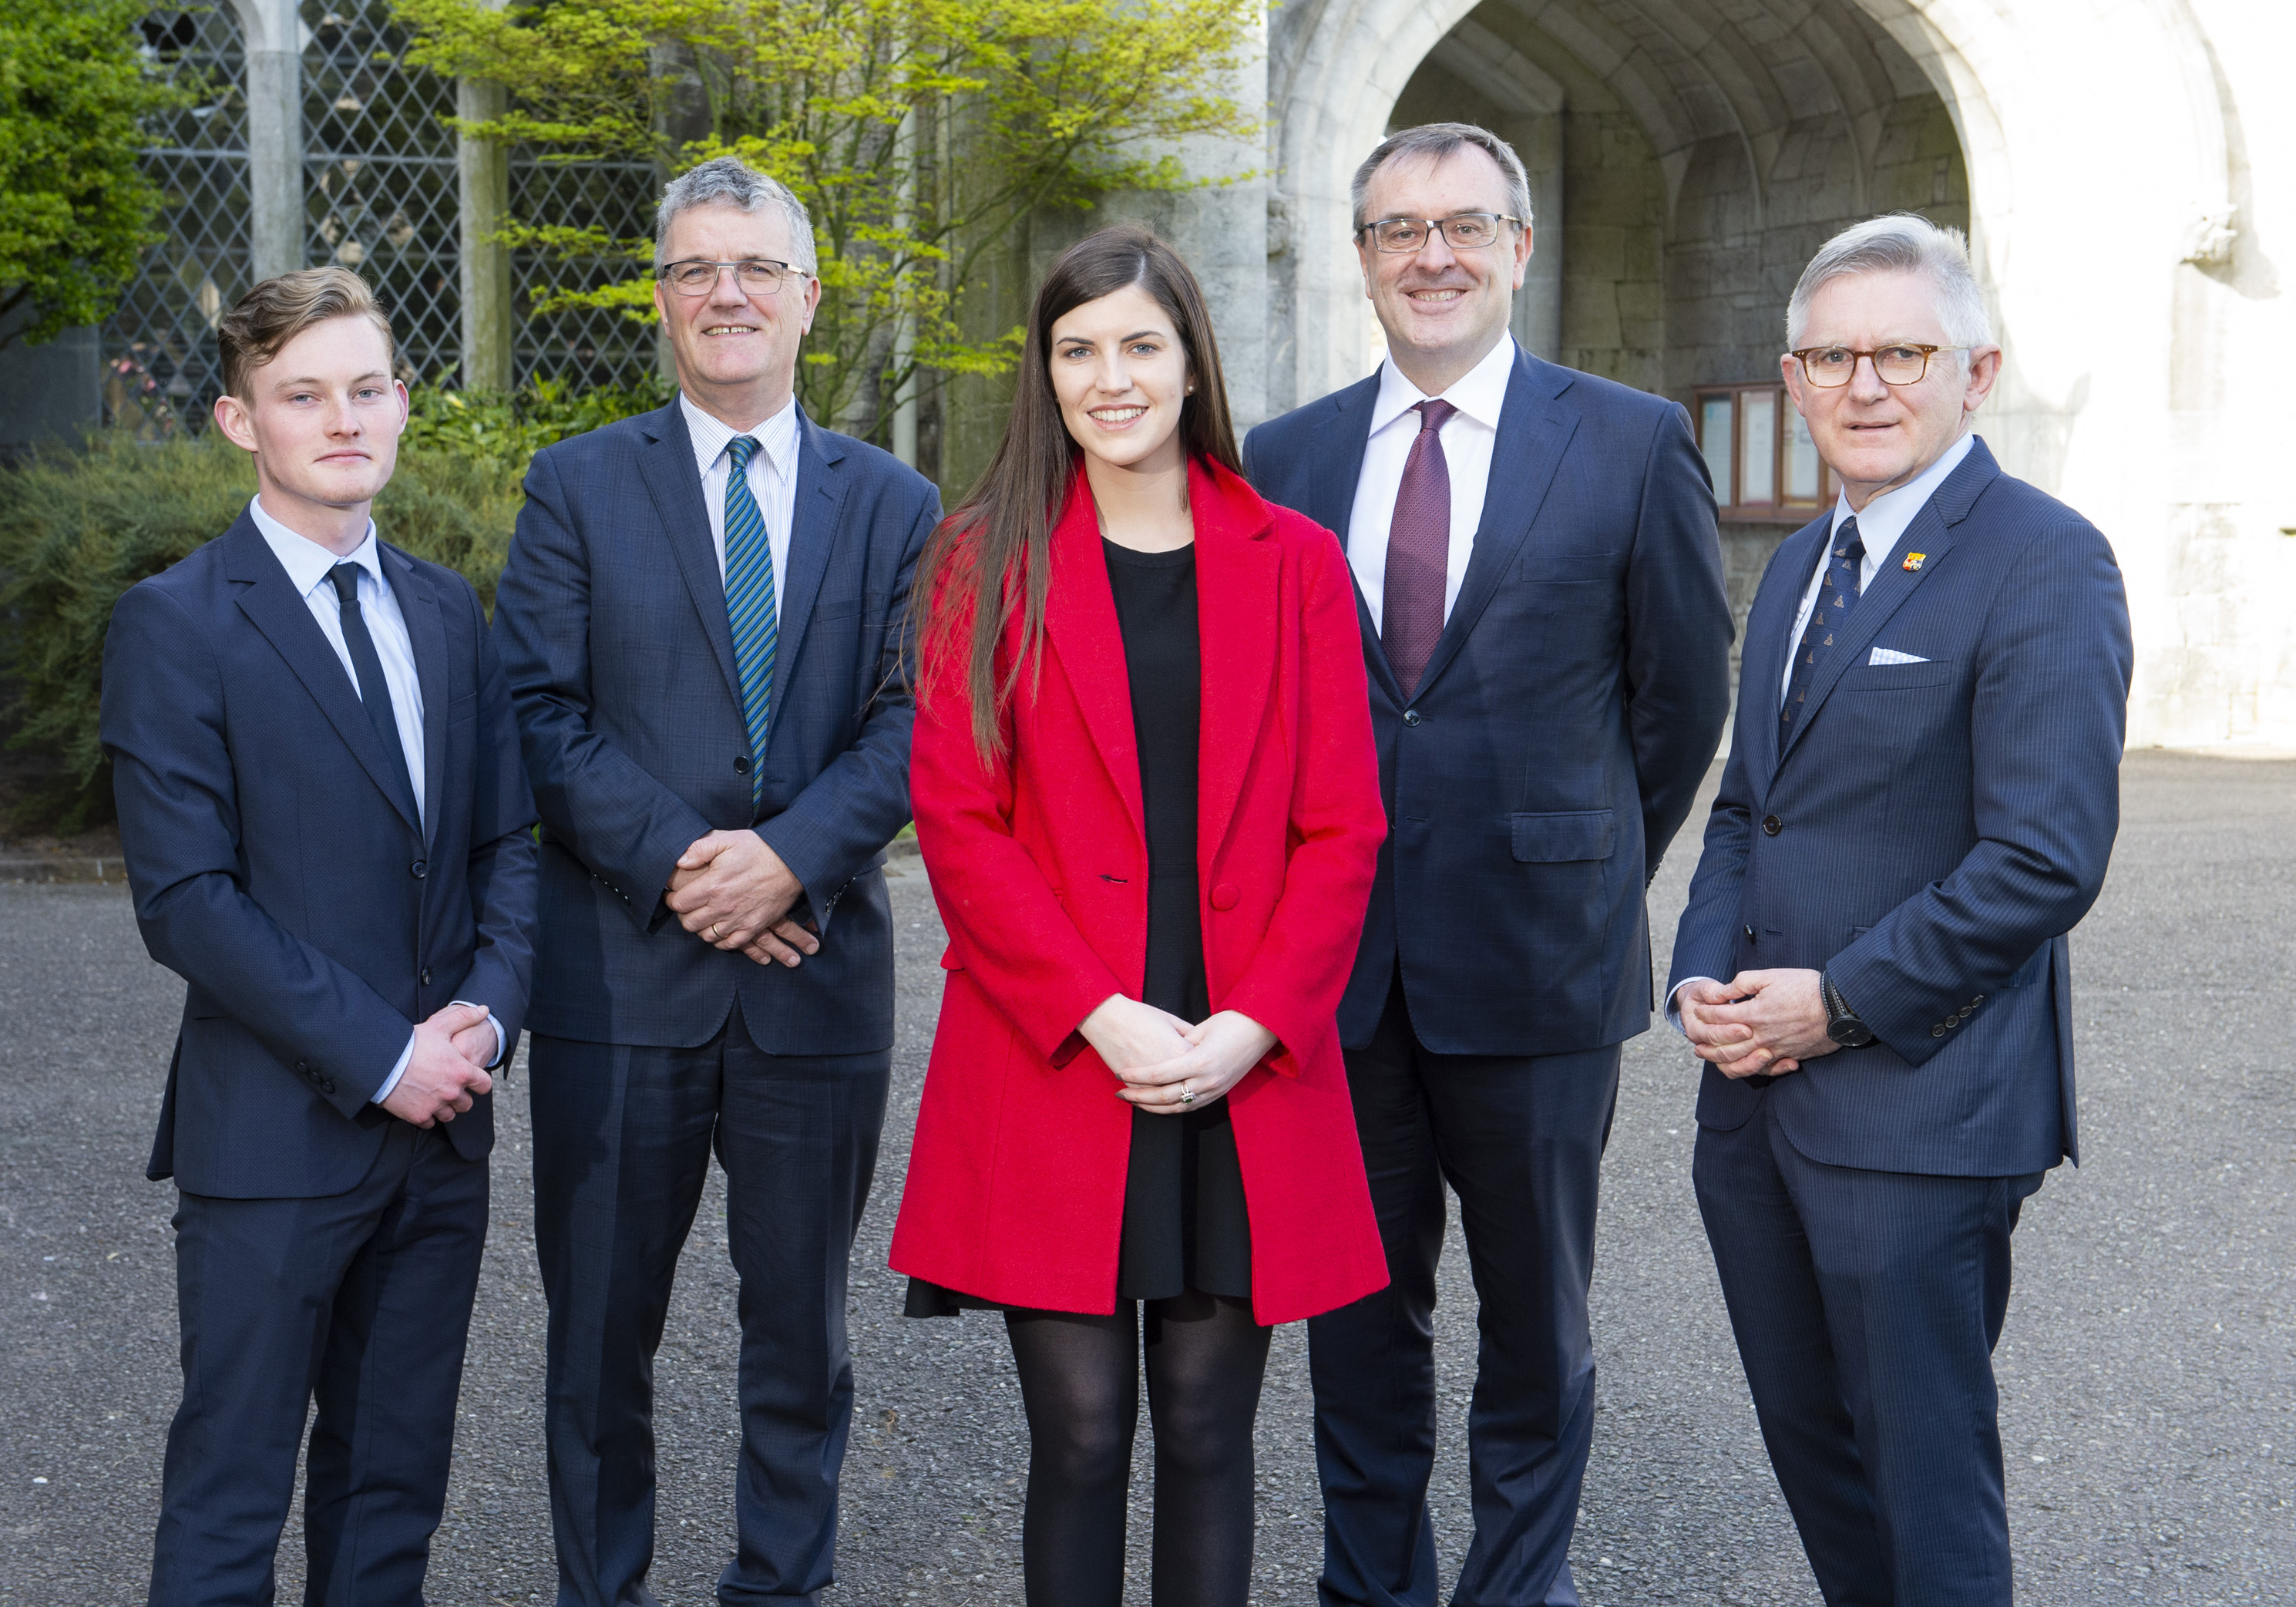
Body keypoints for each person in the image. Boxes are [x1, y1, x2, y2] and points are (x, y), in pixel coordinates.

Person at [1243, 122, 1733, 1606]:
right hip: (1339, 976)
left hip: (1540, 964)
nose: (1432, 256)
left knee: (1538, 1322)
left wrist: (1584, 862)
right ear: (1365, 260)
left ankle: (1518, 1588)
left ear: (1519, 247)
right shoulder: (1289, 455)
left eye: (1464, 226)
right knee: (1357, 1319)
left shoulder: (1631, 439)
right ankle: (1373, 1588)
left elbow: (1681, 699)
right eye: (1399, 231)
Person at [889, 224, 1390, 1607]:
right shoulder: (985, 562)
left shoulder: (1291, 560)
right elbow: (960, 826)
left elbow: (1342, 827)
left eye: (1139, 345)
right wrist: (1099, 1013)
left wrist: (1254, 1027)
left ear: (1189, 362)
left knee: (1214, 1430)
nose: (1110, 378)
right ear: (1047, 374)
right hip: (1062, 1049)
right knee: (1084, 1431)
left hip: (1239, 1055)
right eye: (1077, 350)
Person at [492, 156, 937, 1607]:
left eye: (755, 268)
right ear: (664, 300)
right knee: (598, 1341)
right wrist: (693, 869)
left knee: (801, 1338)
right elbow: (538, 713)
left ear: (809, 296)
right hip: (623, 980)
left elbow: (915, 719)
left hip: (818, 980)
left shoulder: (895, 500)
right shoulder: (575, 487)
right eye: (694, 269)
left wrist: (791, 855)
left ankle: (778, 1586)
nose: (726, 293)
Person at [1668, 214, 2132, 1604]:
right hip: (1755, 1103)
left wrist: (1838, 1001)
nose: (1863, 385)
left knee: (1924, 1473)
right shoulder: (1810, 563)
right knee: (1817, 1452)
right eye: (1830, 356)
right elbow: (1752, 804)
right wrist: (1702, 974)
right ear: (1794, 377)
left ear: (1975, 371)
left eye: (1902, 353)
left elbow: (2045, 858)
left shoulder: (2045, 557)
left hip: (1920, 1113)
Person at [99, 266, 540, 1605]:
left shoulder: (446, 609)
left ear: (403, 405)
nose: (341, 419)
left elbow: (504, 844)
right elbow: (186, 902)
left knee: (391, 1496)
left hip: (442, 1129)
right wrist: (378, 1052)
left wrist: (487, 1012)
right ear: (242, 421)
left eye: (365, 388)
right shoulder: (174, 624)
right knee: (233, 1498)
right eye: (302, 395)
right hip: (275, 1140)